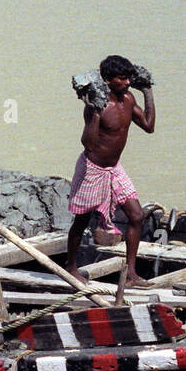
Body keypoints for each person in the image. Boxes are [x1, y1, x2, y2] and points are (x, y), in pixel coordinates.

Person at [65, 55, 155, 286]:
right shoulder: (96, 107)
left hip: (114, 169)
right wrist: (94, 111)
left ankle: (131, 273)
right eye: (121, 79)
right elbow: (88, 143)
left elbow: (148, 126)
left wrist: (147, 92)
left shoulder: (128, 98)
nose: (127, 83)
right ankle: (71, 266)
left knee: (137, 216)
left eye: (129, 79)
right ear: (107, 80)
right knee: (82, 220)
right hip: (93, 169)